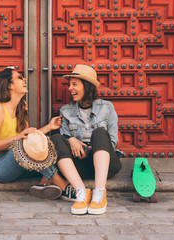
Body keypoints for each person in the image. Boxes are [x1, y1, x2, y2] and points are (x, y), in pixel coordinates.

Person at [0, 68, 70, 200]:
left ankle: (43, 184)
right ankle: (63, 185)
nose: (25, 79)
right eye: (20, 77)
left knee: (50, 142)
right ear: (9, 85)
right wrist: (17, 138)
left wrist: (50, 127)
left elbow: (30, 138)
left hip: (22, 164)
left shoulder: (22, 107)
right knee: (23, 144)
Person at [50, 64, 122, 215]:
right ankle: (81, 193)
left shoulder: (107, 107)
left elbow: (113, 141)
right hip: (79, 165)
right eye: (69, 84)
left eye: (75, 84)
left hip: (106, 166)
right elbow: (63, 139)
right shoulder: (65, 111)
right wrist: (71, 140)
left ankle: (99, 193)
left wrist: (89, 149)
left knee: (99, 133)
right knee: (56, 138)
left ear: (87, 86)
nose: (70, 88)